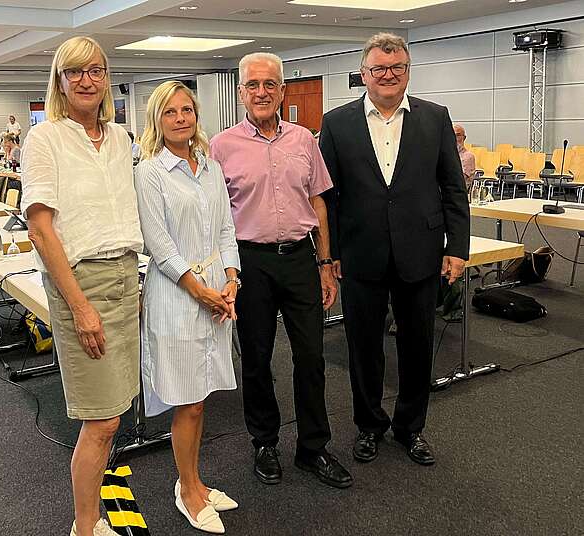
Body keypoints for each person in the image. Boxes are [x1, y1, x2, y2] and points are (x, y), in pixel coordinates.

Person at [319, 33, 470, 467]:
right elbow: (327, 196)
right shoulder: (337, 122)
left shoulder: (435, 118)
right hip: (360, 253)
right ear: (364, 75)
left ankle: (410, 427)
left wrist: (456, 247)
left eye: (397, 68)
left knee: (418, 346)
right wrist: (329, 255)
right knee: (363, 348)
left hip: (421, 251)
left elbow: (452, 189)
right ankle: (369, 426)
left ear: (407, 71)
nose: (388, 75)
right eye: (379, 69)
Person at [210, 52, 352, 489]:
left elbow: (319, 203)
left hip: (300, 260)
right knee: (256, 358)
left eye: (269, 84)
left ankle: (312, 447)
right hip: (249, 262)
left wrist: (326, 264)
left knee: (311, 357)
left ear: (282, 90)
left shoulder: (304, 140)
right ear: (241, 93)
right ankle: (264, 442)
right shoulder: (222, 146)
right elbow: (214, 216)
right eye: (252, 85)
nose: (261, 92)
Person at [21, 36, 144, 536]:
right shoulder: (45, 138)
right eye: (75, 73)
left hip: (124, 276)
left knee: (116, 411)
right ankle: (85, 528)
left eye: (95, 70)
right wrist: (80, 308)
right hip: (82, 284)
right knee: (101, 421)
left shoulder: (120, 138)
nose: (87, 80)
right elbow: (40, 227)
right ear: (60, 81)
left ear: (106, 77)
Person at [135, 81, 240, 534]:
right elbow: (159, 245)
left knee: (204, 394)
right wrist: (199, 289)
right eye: (170, 112)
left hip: (217, 290)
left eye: (187, 110)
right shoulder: (150, 171)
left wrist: (232, 279)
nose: (181, 118)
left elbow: (226, 231)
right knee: (188, 401)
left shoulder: (211, 168)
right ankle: (187, 488)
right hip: (178, 295)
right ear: (157, 121)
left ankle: (194, 480)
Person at [453, 124, 477, 188]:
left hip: (459, 191)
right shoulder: (449, 156)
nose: (454, 138)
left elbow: (458, 179)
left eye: (458, 135)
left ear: (464, 138)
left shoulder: (468, 156)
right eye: (452, 135)